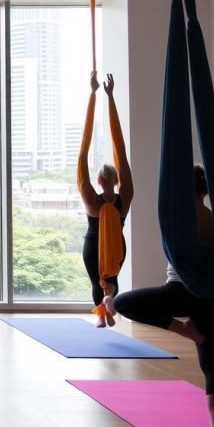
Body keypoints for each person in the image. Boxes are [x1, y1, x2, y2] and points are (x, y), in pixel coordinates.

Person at [114, 165, 214, 427]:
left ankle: (183, 329)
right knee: (213, 366)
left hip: (181, 293)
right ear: (205, 190)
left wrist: (178, 324)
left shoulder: (178, 219)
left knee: (122, 303)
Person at [77, 72, 133, 327]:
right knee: (112, 280)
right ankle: (109, 303)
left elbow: (82, 153)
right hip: (116, 248)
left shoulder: (92, 201)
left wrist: (92, 95)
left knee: (96, 281)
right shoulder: (125, 198)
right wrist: (110, 98)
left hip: (93, 247)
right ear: (117, 179)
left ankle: (102, 314)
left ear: (98, 181)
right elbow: (119, 147)